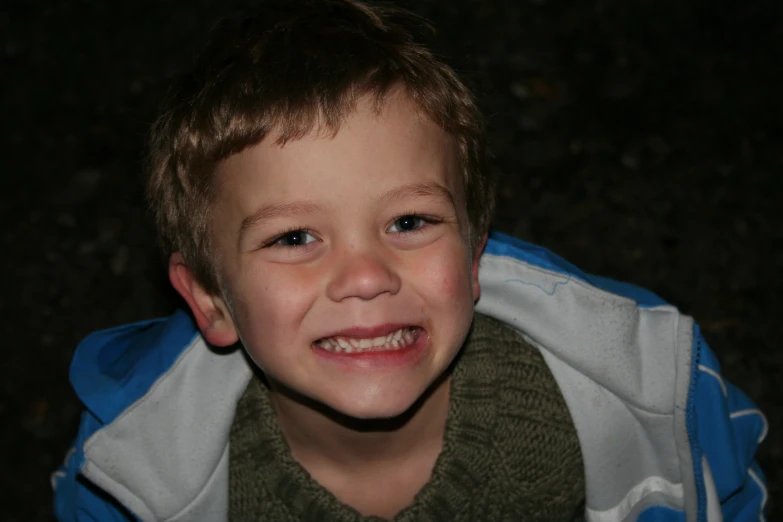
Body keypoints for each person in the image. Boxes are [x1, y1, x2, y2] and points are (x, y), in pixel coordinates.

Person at [52, 1, 767, 520]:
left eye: (408, 221)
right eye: (295, 238)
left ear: (474, 250)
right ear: (210, 297)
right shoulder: (129, 480)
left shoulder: (640, 390)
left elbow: (726, 494)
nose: (366, 277)